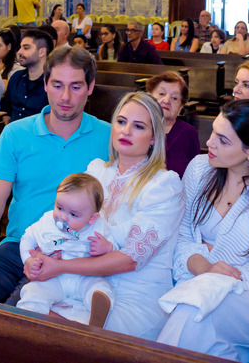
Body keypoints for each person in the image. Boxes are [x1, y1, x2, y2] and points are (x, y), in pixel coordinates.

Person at [0, 47, 111, 304]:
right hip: (18, 246)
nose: (66, 96)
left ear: (90, 87)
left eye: (76, 86)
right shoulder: (16, 134)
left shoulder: (109, 137)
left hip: (74, 253)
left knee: (20, 315)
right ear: (45, 84)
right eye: (58, 85)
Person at [29, 91, 183, 340]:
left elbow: (130, 260)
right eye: (121, 122)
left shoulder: (164, 185)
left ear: (154, 137)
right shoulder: (97, 171)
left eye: (138, 126)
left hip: (133, 293)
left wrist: (59, 266)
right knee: (27, 312)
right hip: (80, 282)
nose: (126, 131)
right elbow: (66, 225)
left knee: (60, 335)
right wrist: (41, 254)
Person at [158, 99, 249, 361]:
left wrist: (216, 275)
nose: (210, 142)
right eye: (213, 131)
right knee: (204, 337)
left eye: (223, 140)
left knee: (192, 310)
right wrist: (205, 268)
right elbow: (183, 236)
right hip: (196, 281)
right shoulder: (200, 168)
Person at [17, 173, 114, 327]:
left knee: (100, 287)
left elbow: (115, 250)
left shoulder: (98, 227)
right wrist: (28, 260)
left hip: (84, 277)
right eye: (59, 208)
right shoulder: (47, 222)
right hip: (54, 279)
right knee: (32, 291)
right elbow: (27, 237)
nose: (62, 217)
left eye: (73, 214)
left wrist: (107, 247)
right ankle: (32, 315)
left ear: (92, 218)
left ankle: (97, 317)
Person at [146, 71, 199, 178]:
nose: (166, 100)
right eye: (161, 94)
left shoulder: (188, 133)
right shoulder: (138, 127)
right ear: (149, 97)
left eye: (174, 98)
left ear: (180, 107)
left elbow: (195, 176)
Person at [5, 28, 52, 121]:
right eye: (20, 47)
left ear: (41, 52)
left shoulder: (53, 83)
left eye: (26, 48)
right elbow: (6, 110)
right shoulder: (16, 77)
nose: (19, 52)